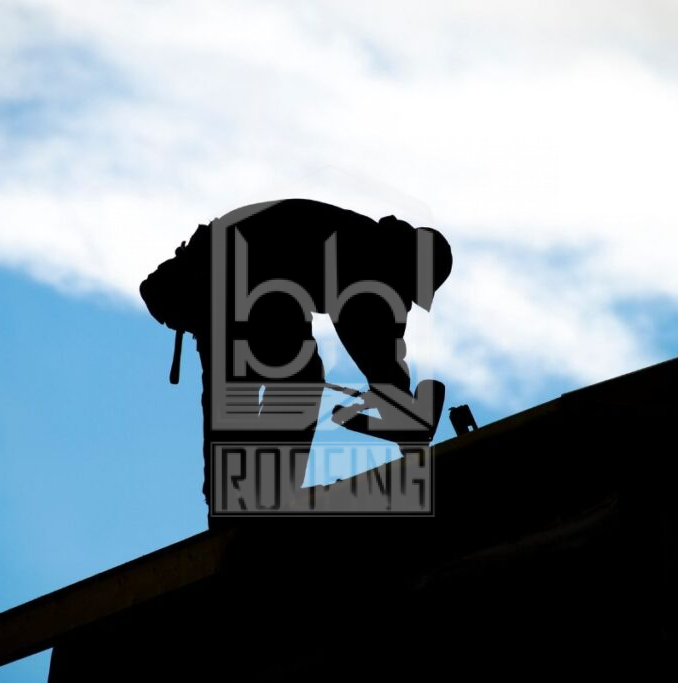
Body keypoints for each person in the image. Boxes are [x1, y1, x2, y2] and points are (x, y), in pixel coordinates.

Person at [140, 198, 453, 513]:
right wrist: (402, 411)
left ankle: (239, 499)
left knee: (254, 389)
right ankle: (257, 495)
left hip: (211, 284)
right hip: (222, 282)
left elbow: (374, 335)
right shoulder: (369, 254)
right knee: (295, 375)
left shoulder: (363, 243)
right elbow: (371, 333)